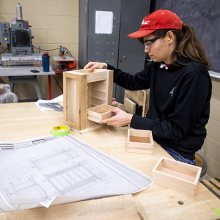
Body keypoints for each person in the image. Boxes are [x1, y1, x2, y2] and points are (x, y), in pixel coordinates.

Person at [84, 9, 212, 165]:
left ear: (170, 37)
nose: (146, 49)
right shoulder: (158, 65)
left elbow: (176, 130)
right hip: (154, 138)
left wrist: (131, 119)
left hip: (176, 151)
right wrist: (107, 68)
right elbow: (133, 82)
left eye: (149, 42)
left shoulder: (194, 75)